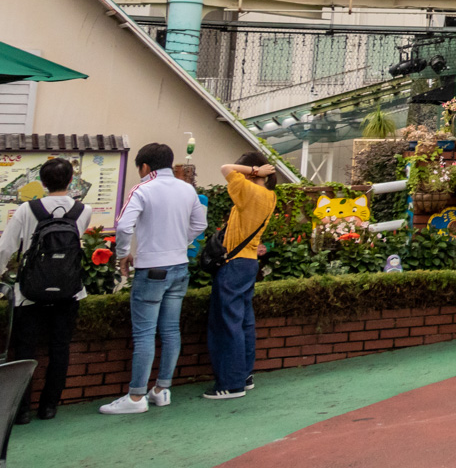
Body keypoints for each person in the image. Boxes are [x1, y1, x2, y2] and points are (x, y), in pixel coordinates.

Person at [101, 143, 206, 415]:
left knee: (145, 333)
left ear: (145, 167)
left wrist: (123, 254)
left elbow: (124, 225)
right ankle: (161, 390)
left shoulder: (143, 189)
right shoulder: (187, 189)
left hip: (152, 269)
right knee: (171, 330)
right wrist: (179, 243)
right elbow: (200, 224)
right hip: (180, 267)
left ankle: (136, 397)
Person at [0, 157, 92, 422]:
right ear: (70, 180)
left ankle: (22, 409)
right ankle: (49, 406)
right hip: (69, 291)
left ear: (41, 181)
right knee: (60, 348)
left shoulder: (27, 210)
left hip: (30, 292)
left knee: (25, 350)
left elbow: (6, 248)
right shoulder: (82, 211)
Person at [203, 153, 277, 400]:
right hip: (249, 262)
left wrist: (254, 170)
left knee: (227, 323)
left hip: (234, 265)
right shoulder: (270, 196)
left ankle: (231, 383)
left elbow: (225, 167)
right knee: (244, 320)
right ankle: (244, 375)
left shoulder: (249, 191)